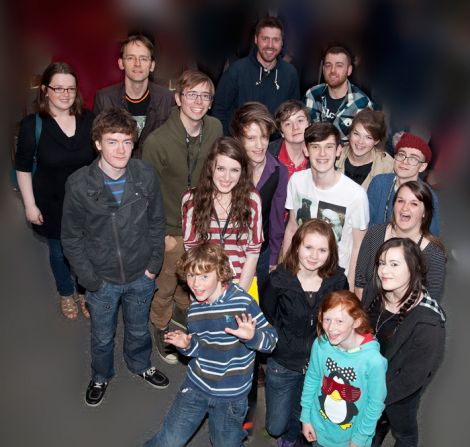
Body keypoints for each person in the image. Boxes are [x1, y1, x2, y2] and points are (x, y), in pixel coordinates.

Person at [61, 108, 168, 407]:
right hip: (102, 280)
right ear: (97, 143)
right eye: (112, 141)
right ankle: (101, 375)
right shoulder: (79, 184)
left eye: (126, 141)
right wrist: (89, 279)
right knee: (102, 336)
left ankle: (140, 364)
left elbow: (157, 222)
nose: (121, 149)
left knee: (138, 328)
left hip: (141, 274)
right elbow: (71, 237)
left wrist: (153, 266)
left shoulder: (145, 175)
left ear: (134, 142)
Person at [144, 243, 278, 447]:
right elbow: (201, 347)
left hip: (231, 397)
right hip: (197, 385)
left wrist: (252, 337)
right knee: (168, 441)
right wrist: (187, 345)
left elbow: (272, 342)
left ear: (221, 273)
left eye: (204, 276)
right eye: (190, 276)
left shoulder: (242, 303)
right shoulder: (195, 309)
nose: (196, 284)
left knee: (225, 444)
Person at [142, 69, 223, 364]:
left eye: (205, 96)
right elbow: (146, 195)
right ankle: (161, 329)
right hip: (172, 229)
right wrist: (159, 234)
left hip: (204, 224)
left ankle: (182, 313)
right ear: (178, 98)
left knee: (195, 282)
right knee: (165, 285)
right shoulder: (157, 142)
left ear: (211, 102)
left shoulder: (215, 128)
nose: (198, 102)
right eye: (192, 95)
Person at [15, 61, 96, 320]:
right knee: (59, 252)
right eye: (58, 88)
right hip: (50, 203)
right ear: (44, 90)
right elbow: (23, 168)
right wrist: (29, 205)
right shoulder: (32, 125)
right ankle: (65, 292)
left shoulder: (89, 119)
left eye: (70, 88)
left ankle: (84, 291)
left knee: (87, 249)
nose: (65, 94)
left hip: (86, 203)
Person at [261, 219, 349, 447]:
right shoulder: (278, 280)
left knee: (303, 411)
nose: (314, 256)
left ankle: (292, 438)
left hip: (319, 365)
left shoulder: (338, 281)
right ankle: (286, 431)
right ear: (297, 246)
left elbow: (343, 320)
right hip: (283, 363)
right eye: (308, 247)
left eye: (322, 250)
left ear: (330, 253)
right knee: (274, 426)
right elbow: (267, 316)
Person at [364, 238, 446, 446]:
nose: (384, 271)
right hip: (371, 382)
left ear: (413, 268)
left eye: (394, 264)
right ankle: (379, 428)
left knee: (404, 432)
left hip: (399, 393)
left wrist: (376, 398)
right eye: (382, 263)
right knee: (372, 429)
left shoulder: (428, 323)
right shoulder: (376, 292)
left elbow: (412, 378)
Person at [283, 122, 369, 289]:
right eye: (315, 147)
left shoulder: (356, 195)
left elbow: (359, 247)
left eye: (329, 147)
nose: (322, 154)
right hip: (299, 273)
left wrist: (349, 288)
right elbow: (292, 228)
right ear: (306, 150)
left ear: (338, 151)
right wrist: (284, 268)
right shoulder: (297, 181)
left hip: (333, 279)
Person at [300, 290, 387, 447]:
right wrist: (306, 417)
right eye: (327, 319)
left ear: (356, 322)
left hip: (352, 439)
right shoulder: (321, 345)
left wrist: (360, 439)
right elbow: (312, 378)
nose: (331, 328)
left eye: (340, 321)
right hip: (319, 429)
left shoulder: (373, 361)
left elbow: (375, 404)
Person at [182, 137, 262, 292]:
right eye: (221, 169)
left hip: (242, 284)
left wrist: (237, 296)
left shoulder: (252, 200)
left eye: (234, 170)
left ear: (242, 172)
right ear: (210, 167)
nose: (227, 178)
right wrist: (207, 290)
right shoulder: (191, 200)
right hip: (203, 285)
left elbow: (253, 253)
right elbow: (191, 252)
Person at [355, 181, 446, 304]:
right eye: (400, 201)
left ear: (424, 212)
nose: (405, 208)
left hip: (407, 318)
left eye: (414, 204)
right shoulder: (375, 233)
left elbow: (429, 301)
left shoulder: (433, 254)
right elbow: (360, 281)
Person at [230, 102, 288, 288]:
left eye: (263, 137)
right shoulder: (227, 168)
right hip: (227, 251)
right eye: (251, 138)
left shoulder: (279, 171)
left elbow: (277, 220)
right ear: (238, 139)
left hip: (261, 254)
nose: (259, 145)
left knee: (255, 307)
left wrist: (272, 259)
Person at [213, 16, 300, 135]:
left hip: (275, 148)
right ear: (256, 39)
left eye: (275, 40)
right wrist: (230, 144)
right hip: (240, 146)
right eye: (265, 39)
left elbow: (293, 114)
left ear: (282, 43)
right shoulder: (236, 70)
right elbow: (219, 110)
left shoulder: (290, 73)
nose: (270, 45)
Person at [93, 34, 175, 158]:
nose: (137, 64)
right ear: (121, 63)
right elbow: (97, 145)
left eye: (143, 58)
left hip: (155, 172)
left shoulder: (167, 99)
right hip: (118, 172)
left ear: (152, 65)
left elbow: (172, 144)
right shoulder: (104, 99)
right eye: (131, 58)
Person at [367, 132, 440, 235]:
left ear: (422, 167)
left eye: (413, 158)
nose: (405, 161)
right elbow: (366, 221)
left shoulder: (428, 197)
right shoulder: (379, 182)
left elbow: (431, 237)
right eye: (401, 155)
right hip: (374, 243)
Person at [304, 45, 374, 145]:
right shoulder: (312, 94)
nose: (332, 70)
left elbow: (366, 145)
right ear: (323, 69)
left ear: (349, 70)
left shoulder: (361, 104)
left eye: (339, 65)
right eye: (328, 65)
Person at [336, 108, 394, 190]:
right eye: (356, 134)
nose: (360, 141)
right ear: (350, 134)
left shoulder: (387, 166)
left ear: (376, 141)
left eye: (368, 137)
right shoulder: (335, 155)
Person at [268, 99, 311, 178]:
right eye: (288, 124)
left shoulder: (319, 154)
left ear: (309, 124)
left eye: (300, 120)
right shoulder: (267, 155)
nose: (295, 127)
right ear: (281, 132)